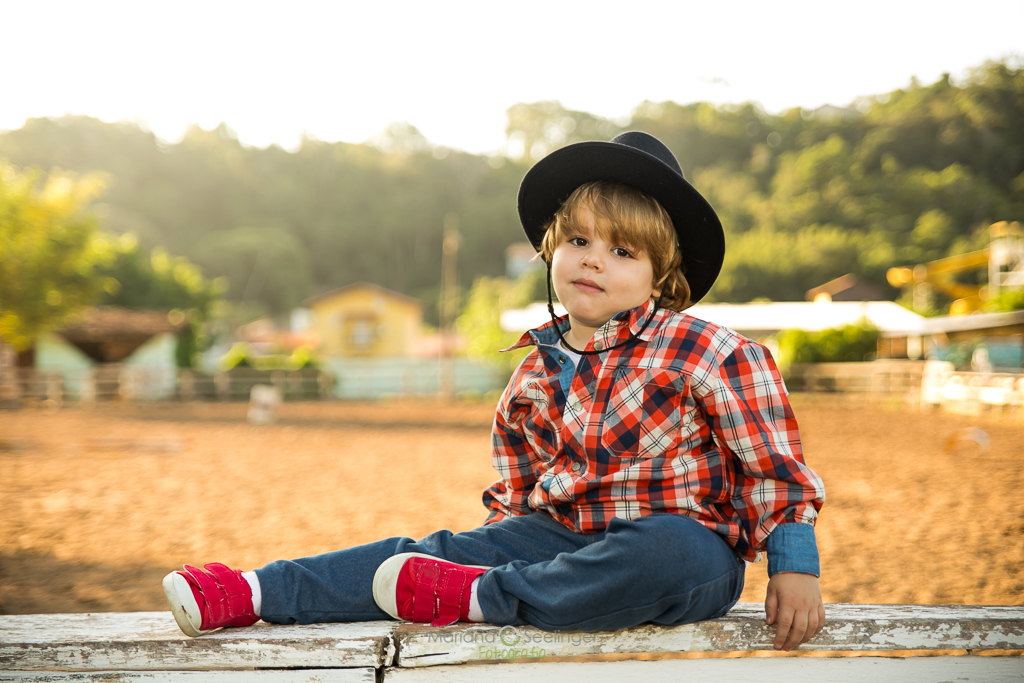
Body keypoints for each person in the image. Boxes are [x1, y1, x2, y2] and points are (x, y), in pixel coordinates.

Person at [163, 131, 826, 651]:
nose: (594, 258)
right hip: (555, 540)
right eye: (579, 240)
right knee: (432, 551)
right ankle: (252, 591)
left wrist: (793, 566)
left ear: (662, 274)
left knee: (671, 553)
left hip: (683, 549)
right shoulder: (533, 372)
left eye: (624, 252)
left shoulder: (710, 351)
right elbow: (517, 493)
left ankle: (487, 597)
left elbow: (774, 470)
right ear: (551, 249)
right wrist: (488, 548)